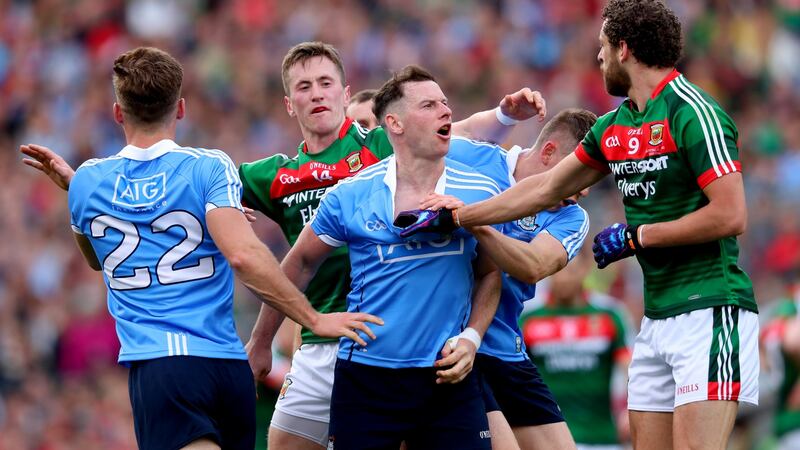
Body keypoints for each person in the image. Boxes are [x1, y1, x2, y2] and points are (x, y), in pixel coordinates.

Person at [399, 1, 759, 448]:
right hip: (657, 316)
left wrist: (637, 237)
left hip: (710, 308)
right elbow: (545, 188)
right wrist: (460, 215)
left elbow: (731, 214)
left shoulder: (693, 112)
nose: (599, 58)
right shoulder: (614, 126)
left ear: (624, 49)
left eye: (603, 47)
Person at [19, 46, 381, 450]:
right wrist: (304, 318)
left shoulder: (87, 182)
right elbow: (243, 254)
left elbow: (94, 259)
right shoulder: (210, 166)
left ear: (118, 113)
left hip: (162, 370)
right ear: (182, 109)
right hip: (227, 365)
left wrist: (81, 192)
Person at [241, 41, 546, 450]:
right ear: (289, 104)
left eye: (326, 82)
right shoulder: (281, 176)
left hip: (432, 352)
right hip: (332, 342)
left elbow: (457, 132)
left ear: (345, 94)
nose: (316, 93)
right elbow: (294, 262)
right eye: (304, 86)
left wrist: (504, 115)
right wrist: (222, 207)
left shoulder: (382, 146)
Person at [282, 64, 505, 449]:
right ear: (395, 124)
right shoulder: (349, 194)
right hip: (367, 379)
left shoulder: (481, 189)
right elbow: (299, 263)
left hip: (446, 376)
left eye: (445, 103)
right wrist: (311, 320)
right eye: (429, 105)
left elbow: (490, 274)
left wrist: (472, 337)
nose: (446, 111)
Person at [440, 109, 596, 449]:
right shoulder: (469, 156)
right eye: (580, 172)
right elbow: (410, 146)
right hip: (449, 347)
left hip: (505, 349)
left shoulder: (572, 218)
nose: (583, 190)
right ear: (549, 152)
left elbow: (533, 265)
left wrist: (471, 220)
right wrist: (502, 114)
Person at [520, 244, 633, 450]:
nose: (563, 278)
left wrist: (631, 410)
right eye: (557, 270)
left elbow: (631, 369)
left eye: (570, 270)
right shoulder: (527, 319)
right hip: (547, 439)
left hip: (602, 437)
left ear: (585, 269)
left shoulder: (610, 314)